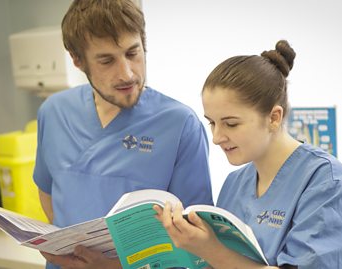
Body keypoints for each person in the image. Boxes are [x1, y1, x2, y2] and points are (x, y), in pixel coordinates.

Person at [155, 40, 342, 269]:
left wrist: (211, 250)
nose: (217, 137)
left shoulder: (325, 182)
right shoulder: (234, 184)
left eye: (231, 124)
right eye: (212, 123)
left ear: (274, 118)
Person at [33, 0, 213, 268]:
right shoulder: (53, 112)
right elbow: (48, 192)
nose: (127, 74)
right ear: (77, 60)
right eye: (107, 60)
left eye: (133, 53)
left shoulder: (179, 125)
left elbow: (198, 246)